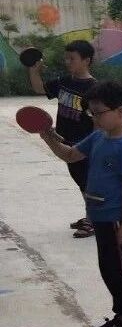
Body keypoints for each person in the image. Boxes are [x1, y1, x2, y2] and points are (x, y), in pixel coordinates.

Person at [36, 81, 122, 327]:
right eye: (91, 113)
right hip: (101, 220)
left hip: (120, 221)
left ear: (120, 112)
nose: (94, 118)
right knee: (110, 270)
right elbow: (70, 155)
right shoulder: (98, 137)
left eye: (99, 113)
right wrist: (48, 136)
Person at [25, 40, 97, 238]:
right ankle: (92, 216)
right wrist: (33, 70)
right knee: (80, 180)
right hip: (65, 140)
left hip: (84, 144)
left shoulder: (94, 89)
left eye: (72, 59)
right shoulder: (64, 82)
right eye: (66, 58)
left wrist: (93, 144)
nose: (67, 62)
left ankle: (93, 221)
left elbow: (98, 121)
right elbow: (39, 88)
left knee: (87, 182)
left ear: (86, 60)